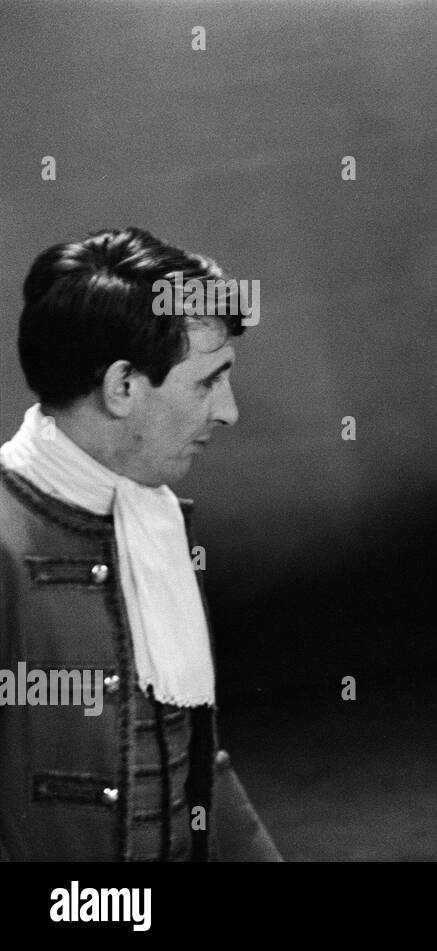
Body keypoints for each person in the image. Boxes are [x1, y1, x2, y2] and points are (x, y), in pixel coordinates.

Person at [0, 227, 280, 861]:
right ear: (123, 386)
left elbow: (192, 761)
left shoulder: (151, 519)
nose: (229, 411)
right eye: (209, 381)